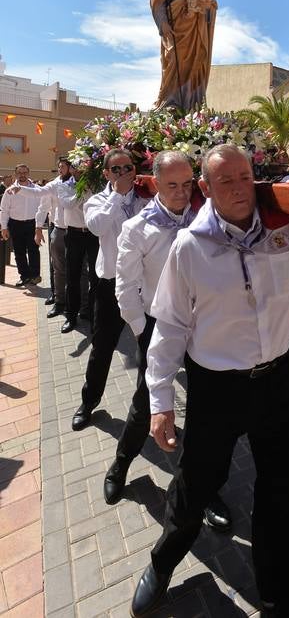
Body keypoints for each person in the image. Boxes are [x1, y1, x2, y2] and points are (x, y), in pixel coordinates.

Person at [130, 144, 289, 618]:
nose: (238, 188)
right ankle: (162, 562)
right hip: (216, 389)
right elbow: (170, 326)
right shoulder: (190, 245)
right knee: (197, 485)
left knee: (281, 494)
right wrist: (160, 401)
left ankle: (278, 599)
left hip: (278, 381)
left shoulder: (284, 228)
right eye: (224, 181)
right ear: (205, 189)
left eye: (244, 176)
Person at [105, 152, 232, 529]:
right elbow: (125, 287)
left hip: (205, 329)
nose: (180, 192)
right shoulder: (138, 228)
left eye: (187, 184)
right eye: (172, 185)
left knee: (207, 413)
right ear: (155, 183)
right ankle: (121, 462)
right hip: (159, 327)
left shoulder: (208, 219)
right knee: (146, 406)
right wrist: (143, 332)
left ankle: (204, 488)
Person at [71, 149, 146, 430]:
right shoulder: (97, 201)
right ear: (105, 173)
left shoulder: (146, 198)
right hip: (111, 284)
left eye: (128, 167)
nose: (124, 173)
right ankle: (89, 401)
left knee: (150, 350)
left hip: (144, 285)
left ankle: (149, 412)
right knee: (102, 347)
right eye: (116, 169)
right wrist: (117, 194)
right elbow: (98, 227)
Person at [151, 0, 217, 110]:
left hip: (195, 28)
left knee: (196, 63)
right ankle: (170, 102)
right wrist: (163, 23)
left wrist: (209, 7)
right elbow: (157, 3)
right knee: (173, 60)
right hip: (174, 28)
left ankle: (192, 105)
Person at [5, 158, 73, 315]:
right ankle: (57, 296)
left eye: (64, 166)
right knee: (55, 266)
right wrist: (38, 229)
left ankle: (77, 303)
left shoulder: (79, 183)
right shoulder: (52, 185)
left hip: (75, 231)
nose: (61, 169)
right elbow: (41, 205)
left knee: (76, 268)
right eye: (59, 166)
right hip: (54, 227)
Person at [55, 168, 98, 334]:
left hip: (94, 234)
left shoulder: (95, 185)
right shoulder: (64, 185)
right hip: (73, 234)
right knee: (72, 276)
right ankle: (71, 316)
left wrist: (88, 190)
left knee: (96, 277)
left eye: (83, 167)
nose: (80, 170)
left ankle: (94, 316)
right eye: (76, 167)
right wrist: (82, 189)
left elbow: (95, 204)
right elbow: (68, 204)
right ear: (72, 169)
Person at [0, 164, 41, 286]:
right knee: (19, 252)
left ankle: (34, 276)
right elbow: (4, 210)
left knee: (33, 250)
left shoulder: (36, 189)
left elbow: (42, 207)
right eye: (20, 173)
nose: (22, 175)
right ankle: (24, 276)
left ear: (28, 173)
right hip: (15, 224)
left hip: (32, 224)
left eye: (24, 172)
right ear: (15, 174)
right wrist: (4, 227)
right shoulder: (9, 191)